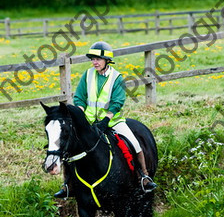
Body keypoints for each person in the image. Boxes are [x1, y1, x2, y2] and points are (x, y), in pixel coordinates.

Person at [54, 41, 157, 198]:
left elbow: (117, 102)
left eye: (98, 59)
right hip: (88, 122)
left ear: (107, 60)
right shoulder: (87, 75)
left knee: (134, 143)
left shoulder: (116, 78)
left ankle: (143, 176)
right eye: (92, 59)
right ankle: (68, 184)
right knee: (70, 145)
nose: (94, 62)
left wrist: (106, 120)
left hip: (112, 121)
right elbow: (80, 97)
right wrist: (81, 117)